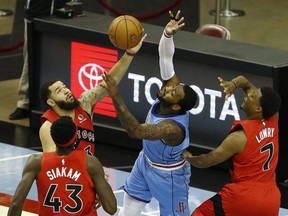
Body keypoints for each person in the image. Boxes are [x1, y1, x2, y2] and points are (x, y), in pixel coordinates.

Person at [102, 10, 198, 216]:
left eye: (173, 92)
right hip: (145, 160)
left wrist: (115, 95)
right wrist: (167, 35)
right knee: (130, 202)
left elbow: (135, 130)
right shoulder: (168, 95)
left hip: (169, 176)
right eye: (174, 86)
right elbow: (166, 58)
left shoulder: (171, 128)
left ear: (176, 107)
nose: (169, 88)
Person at [183, 75, 281, 216]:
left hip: (243, 195)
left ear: (258, 109)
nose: (249, 94)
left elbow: (205, 161)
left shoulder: (239, 138)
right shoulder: (273, 118)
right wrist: (232, 85)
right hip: (271, 198)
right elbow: (245, 82)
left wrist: (189, 157)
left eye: (253, 95)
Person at [39, 34, 147, 154]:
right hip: (70, 172)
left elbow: (108, 83)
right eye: (59, 91)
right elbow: (54, 164)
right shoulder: (48, 127)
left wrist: (129, 54)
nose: (66, 91)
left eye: (65, 87)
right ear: (51, 101)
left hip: (87, 169)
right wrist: (90, 169)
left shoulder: (84, 103)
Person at [7, 116, 117, 216]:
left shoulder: (36, 162)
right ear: (76, 137)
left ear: (53, 137)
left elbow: (16, 204)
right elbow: (111, 208)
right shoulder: (91, 163)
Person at [9, 0, 70, 120]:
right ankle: (25, 103)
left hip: (61, 12)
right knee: (30, 59)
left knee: (61, 57)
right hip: (35, 12)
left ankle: (59, 102)